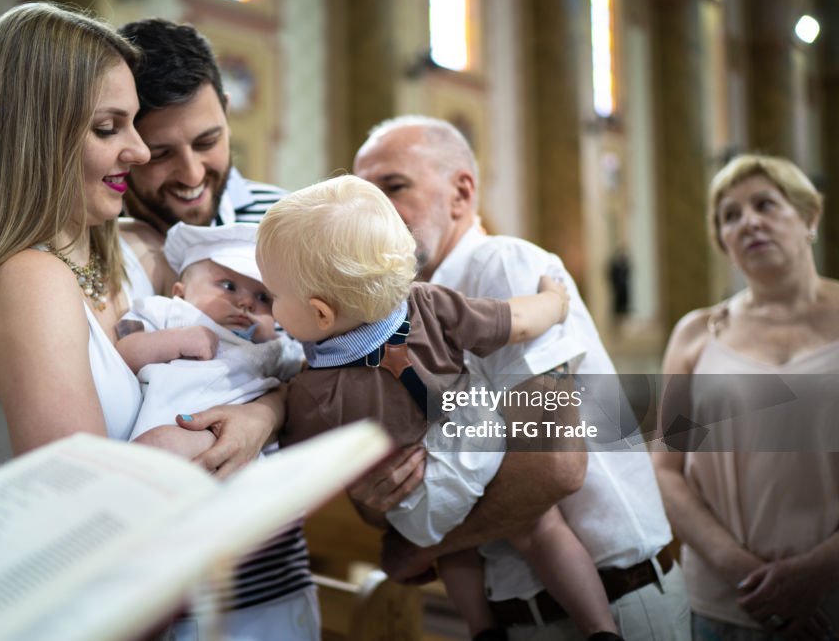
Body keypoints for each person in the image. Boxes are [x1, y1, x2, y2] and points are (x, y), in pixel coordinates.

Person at [352, 115, 690, 640]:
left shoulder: (501, 266)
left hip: (615, 603)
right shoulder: (397, 318)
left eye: (394, 187)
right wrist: (379, 502)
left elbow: (553, 465)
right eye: (365, 198)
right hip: (511, 614)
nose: (376, 213)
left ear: (461, 193)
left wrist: (423, 541)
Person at [257, 175, 624, 640]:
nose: (270, 308)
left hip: (419, 497)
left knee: (454, 552)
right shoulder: (427, 305)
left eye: (272, 296)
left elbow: (304, 464)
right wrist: (553, 301)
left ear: (321, 313)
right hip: (480, 442)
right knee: (542, 532)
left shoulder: (314, 389)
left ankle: (482, 629)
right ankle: (601, 628)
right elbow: (513, 321)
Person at [116, 17, 319, 641]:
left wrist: (267, 413)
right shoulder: (99, 239)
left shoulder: (287, 221)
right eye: (162, 152)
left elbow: (337, 359)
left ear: (228, 112)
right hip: (141, 587)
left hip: (266, 581)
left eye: (208, 140)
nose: (191, 172)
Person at [0, 1, 149, 483]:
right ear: (35, 136)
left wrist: (259, 415)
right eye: (108, 127)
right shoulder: (28, 280)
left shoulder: (124, 255)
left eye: (135, 122)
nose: (141, 150)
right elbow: (83, 497)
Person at [653, 154, 839, 640]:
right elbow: (667, 469)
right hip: (727, 601)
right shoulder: (697, 336)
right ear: (723, 243)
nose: (748, 222)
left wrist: (821, 569)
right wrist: (745, 572)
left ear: (808, 217)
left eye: (765, 205)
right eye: (730, 216)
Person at [117, 222, 302, 458]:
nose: (246, 303)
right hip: (170, 427)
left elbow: (301, 385)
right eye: (228, 286)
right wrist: (172, 341)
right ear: (180, 293)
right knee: (161, 443)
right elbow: (123, 353)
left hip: (240, 440)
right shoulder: (171, 313)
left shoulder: (275, 346)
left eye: (263, 297)